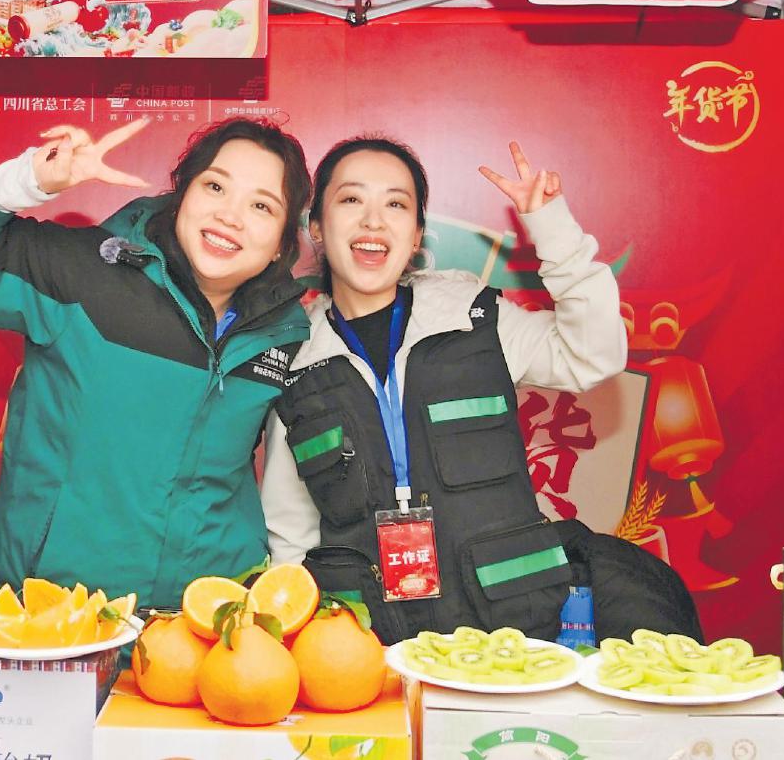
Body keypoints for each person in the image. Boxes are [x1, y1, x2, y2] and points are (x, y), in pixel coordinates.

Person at [0, 117, 312, 610]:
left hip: (207, 620)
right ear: (181, 195)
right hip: (60, 612)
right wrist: (30, 178)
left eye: (262, 206)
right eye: (215, 186)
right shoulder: (82, 273)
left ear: (282, 243)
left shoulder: (287, 330)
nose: (231, 216)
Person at [260, 136, 630, 644]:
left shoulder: (476, 318)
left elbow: (595, 354)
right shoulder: (294, 362)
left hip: (514, 639)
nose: (373, 221)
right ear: (317, 227)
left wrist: (554, 231)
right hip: (370, 649)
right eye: (351, 199)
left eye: (396, 204)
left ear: (416, 235)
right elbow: (290, 534)